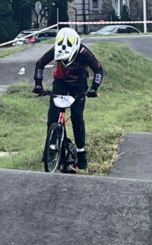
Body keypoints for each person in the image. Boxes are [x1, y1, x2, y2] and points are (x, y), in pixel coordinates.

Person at [33, 27, 103, 171]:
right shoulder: (56, 48)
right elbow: (40, 64)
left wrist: (94, 88)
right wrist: (38, 84)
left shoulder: (83, 52)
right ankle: (51, 148)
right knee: (53, 116)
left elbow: (98, 69)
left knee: (77, 118)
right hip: (61, 83)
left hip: (79, 85)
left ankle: (81, 153)